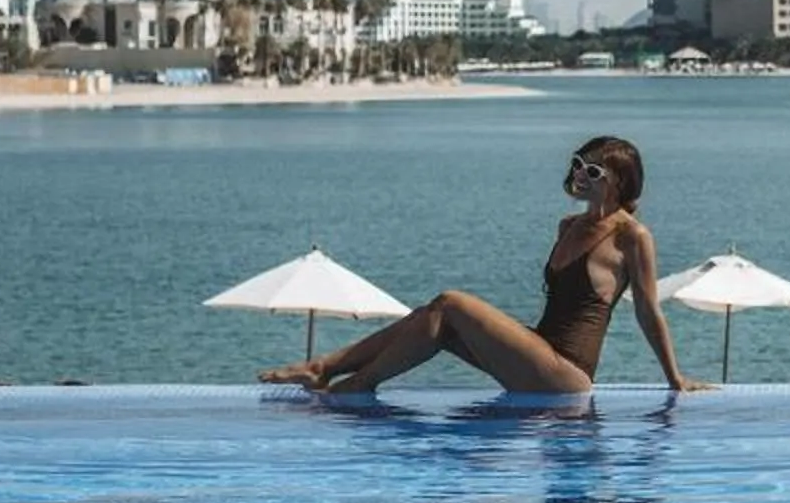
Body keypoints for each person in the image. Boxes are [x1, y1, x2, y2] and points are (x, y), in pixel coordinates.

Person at [259, 136, 704, 395]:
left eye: (590, 171)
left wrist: (674, 378)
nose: (577, 175)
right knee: (433, 323)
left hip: (567, 374)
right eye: (576, 165)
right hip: (537, 353)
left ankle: (347, 382)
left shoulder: (633, 237)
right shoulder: (567, 225)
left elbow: (649, 311)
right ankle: (334, 372)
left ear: (617, 182)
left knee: (451, 303)